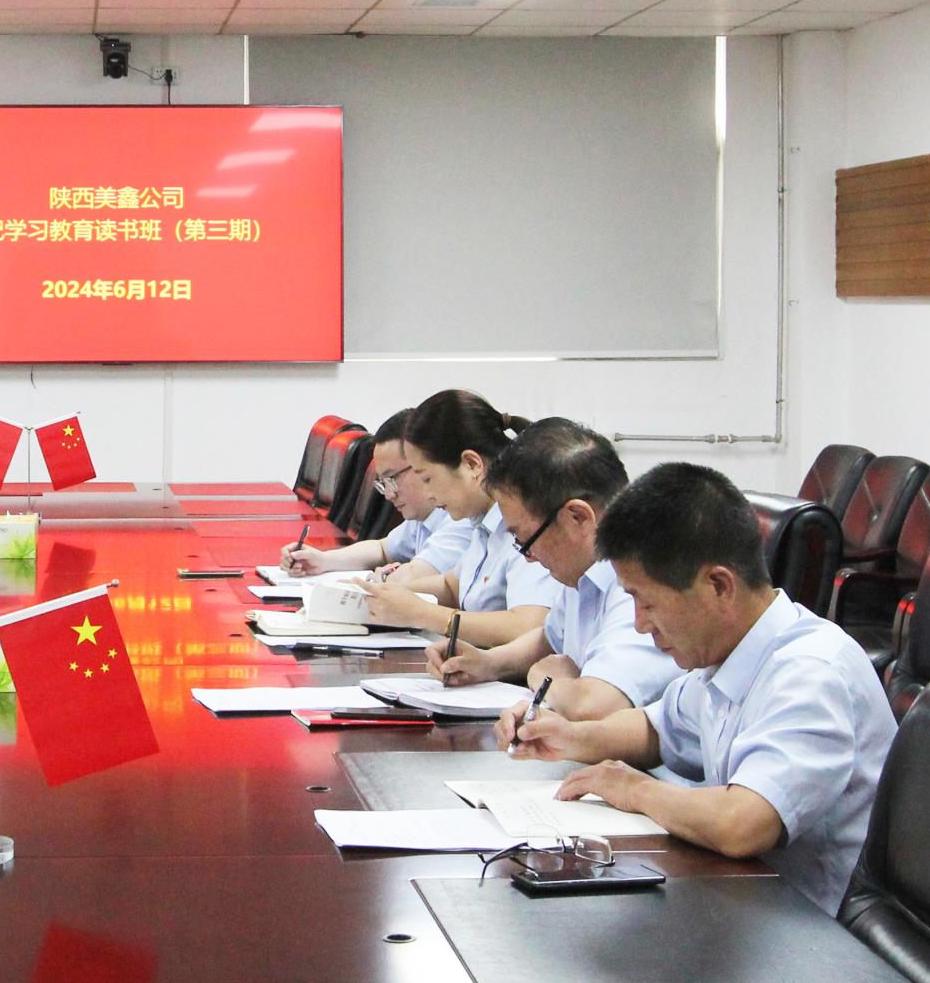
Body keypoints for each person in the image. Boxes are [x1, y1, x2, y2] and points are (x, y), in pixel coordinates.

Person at [498, 463, 895, 914]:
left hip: (809, 926)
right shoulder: (727, 652)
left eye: (647, 602)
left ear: (718, 585)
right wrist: (567, 737)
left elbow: (741, 824)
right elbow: (657, 729)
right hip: (745, 898)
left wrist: (633, 789)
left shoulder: (811, 674)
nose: (640, 624)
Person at [429, 418, 680, 720]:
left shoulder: (642, 582)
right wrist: (487, 663)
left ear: (578, 517)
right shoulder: (583, 571)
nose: (527, 557)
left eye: (525, 540)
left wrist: (545, 678)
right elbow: (549, 638)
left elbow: (593, 706)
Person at [353, 390, 562, 648]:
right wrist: (386, 596)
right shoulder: (481, 521)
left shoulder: (528, 522)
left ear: (472, 465)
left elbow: (528, 626)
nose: (428, 493)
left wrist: (421, 613)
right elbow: (452, 586)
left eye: (427, 478)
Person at [280, 409, 472, 578]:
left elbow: (415, 577)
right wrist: (322, 560)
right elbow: (383, 549)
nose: (388, 495)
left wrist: (384, 579)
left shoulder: (460, 518)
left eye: (392, 478)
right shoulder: (424, 514)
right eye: (383, 483)